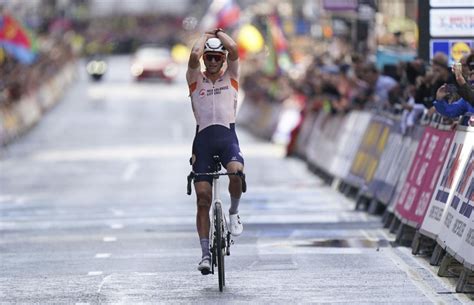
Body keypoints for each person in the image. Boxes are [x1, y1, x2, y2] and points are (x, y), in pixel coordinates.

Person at [186, 29, 244, 274]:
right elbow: (193, 55)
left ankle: (233, 212)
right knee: (202, 200)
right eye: (208, 57)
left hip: (227, 137)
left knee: (236, 173)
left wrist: (220, 34)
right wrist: (204, 36)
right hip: (203, 142)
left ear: (222, 59)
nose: (211, 61)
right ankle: (205, 254)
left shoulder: (231, 75)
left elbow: (234, 50)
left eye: (216, 58)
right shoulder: (194, 78)